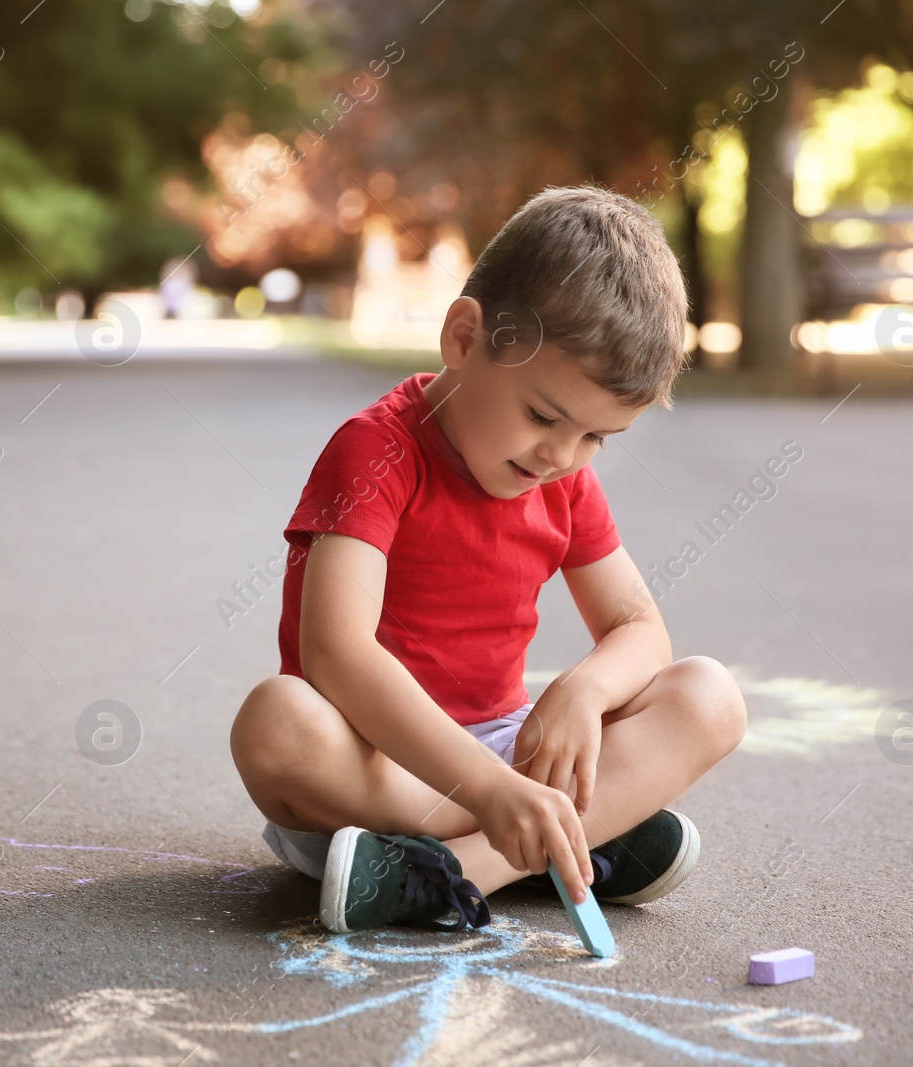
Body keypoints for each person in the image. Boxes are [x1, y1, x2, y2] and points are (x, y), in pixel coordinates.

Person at [229, 186, 748, 934]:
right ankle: (579, 837)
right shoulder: (376, 451)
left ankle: (472, 869)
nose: (560, 457)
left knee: (710, 696)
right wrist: (491, 792)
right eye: (544, 416)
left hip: (503, 755)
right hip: (380, 770)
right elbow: (335, 652)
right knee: (275, 723)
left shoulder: (562, 476)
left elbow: (640, 627)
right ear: (465, 339)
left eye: (596, 438)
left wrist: (582, 690)